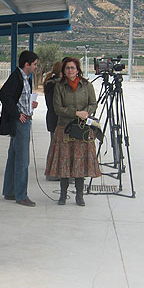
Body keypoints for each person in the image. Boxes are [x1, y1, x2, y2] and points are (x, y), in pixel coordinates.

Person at [45, 57, 100, 206]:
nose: (70, 70)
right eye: (67, 68)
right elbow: (58, 108)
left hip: (82, 129)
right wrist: (76, 113)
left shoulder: (87, 85)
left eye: (72, 68)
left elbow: (93, 103)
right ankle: (62, 195)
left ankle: (79, 195)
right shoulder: (59, 86)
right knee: (64, 162)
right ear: (64, 70)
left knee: (79, 163)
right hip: (64, 128)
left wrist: (86, 113)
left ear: (78, 70)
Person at [0, 50, 39, 207]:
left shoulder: (26, 79)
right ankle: (21, 195)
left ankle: (9, 191)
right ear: (27, 64)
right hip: (21, 123)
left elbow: (18, 98)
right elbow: (4, 96)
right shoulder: (16, 78)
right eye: (34, 64)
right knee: (22, 160)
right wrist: (17, 114)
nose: (36, 67)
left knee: (14, 157)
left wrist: (31, 105)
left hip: (23, 120)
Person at [43, 60, 63, 181]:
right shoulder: (55, 84)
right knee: (55, 147)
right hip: (56, 118)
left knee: (55, 145)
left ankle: (54, 172)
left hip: (52, 117)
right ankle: (52, 173)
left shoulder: (50, 82)